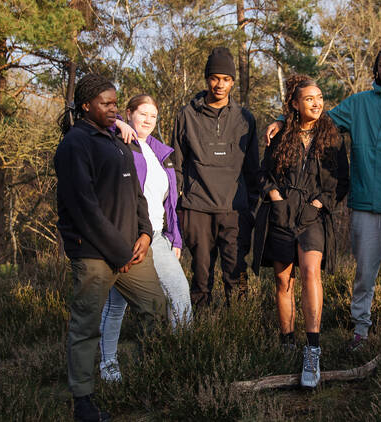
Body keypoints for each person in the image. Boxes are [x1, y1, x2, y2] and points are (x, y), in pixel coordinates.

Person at [266, 44, 381, 350]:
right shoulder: (359, 103)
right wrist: (282, 119)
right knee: (364, 272)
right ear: (376, 69)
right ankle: (360, 330)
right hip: (365, 202)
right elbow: (315, 116)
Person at [55, 74, 167, 422]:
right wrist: (119, 251)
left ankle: (155, 380)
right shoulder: (75, 144)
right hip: (93, 255)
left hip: (133, 251)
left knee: (156, 309)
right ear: (86, 105)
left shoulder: (118, 140)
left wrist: (146, 234)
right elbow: (84, 207)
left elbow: (136, 194)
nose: (113, 108)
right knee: (86, 326)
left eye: (115, 103)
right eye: (105, 103)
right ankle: (84, 402)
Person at [253, 75, 349, 388]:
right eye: (309, 98)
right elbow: (263, 174)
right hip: (282, 214)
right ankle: (287, 341)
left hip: (312, 216)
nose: (316, 103)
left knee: (310, 273)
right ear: (295, 104)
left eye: (320, 97)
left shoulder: (332, 136)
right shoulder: (280, 135)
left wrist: (320, 203)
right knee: (283, 279)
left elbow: (341, 180)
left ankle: (313, 349)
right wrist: (276, 199)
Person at [97, 94, 193, 383]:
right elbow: (87, 129)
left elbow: (170, 203)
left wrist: (175, 239)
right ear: (129, 113)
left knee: (180, 297)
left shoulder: (160, 152)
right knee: (117, 305)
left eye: (153, 116)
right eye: (143, 114)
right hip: (125, 236)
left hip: (157, 237)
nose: (149, 120)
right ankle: (109, 365)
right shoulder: (116, 142)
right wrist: (115, 125)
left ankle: (179, 358)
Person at [172, 47, 260, 308]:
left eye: (226, 79)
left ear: (233, 82)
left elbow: (253, 168)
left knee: (237, 274)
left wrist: (251, 207)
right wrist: (180, 205)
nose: (219, 84)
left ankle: (239, 325)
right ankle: (200, 333)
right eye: (214, 77)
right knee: (201, 277)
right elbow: (177, 163)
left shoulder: (245, 119)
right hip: (197, 209)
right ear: (206, 79)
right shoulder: (186, 115)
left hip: (235, 210)